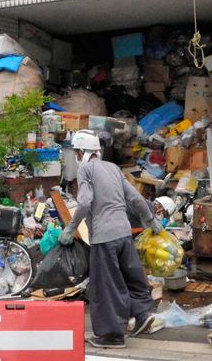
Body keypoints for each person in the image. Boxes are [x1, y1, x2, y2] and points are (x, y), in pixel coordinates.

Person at [60, 130, 158, 349]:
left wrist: (70, 228)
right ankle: (143, 314)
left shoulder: (85, 169)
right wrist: (150, 219)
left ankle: (112, 336)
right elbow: (134, 197)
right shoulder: (113, 168)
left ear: (81, 152)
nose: (75, 156)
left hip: (104, 238)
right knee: (132, 278)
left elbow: (85, 202)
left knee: (106, 286)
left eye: (76, 151)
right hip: (124, 233)